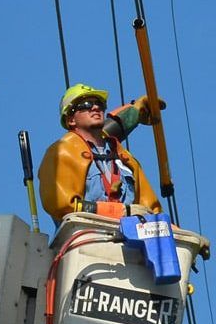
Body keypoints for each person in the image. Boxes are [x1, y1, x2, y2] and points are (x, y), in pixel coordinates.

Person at [38, 83, 164, 225]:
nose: (95, 107)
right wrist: (117, 212)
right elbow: (63, 205)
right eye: (85, 105)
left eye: (99, 104)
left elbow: (152, 210)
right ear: (71, 120)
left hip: (133, 237)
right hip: (88, 235)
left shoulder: (124, 158)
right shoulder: (61, 152)